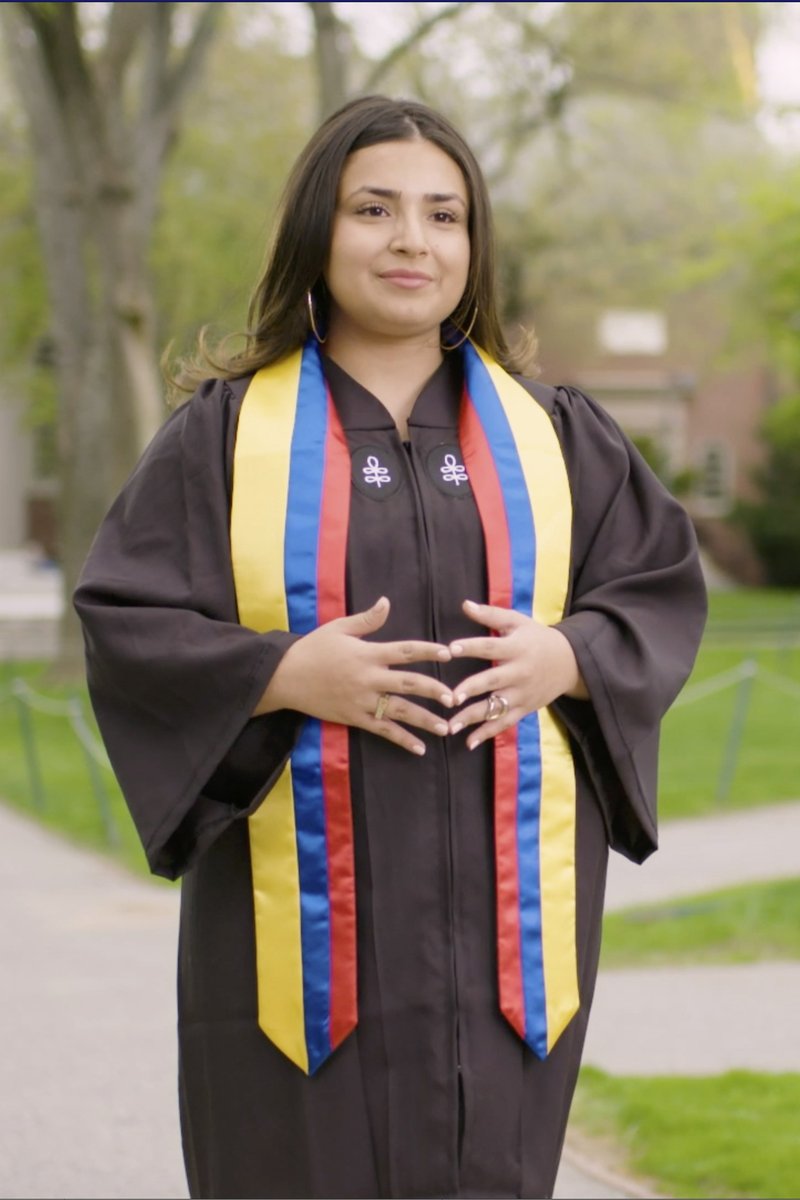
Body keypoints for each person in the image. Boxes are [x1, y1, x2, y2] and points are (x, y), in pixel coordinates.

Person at [74, 94, 707, 1200]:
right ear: (318, 229)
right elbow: (129, 620)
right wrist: (279, 672)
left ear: (474, 245)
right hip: (296, 945)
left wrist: (567, 658)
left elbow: (653, 587)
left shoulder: (555, 437)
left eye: (443, 215)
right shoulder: (224, 437)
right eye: (374, 208)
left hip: (505, 938)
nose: (412, 240)